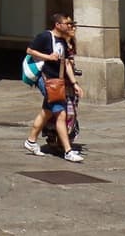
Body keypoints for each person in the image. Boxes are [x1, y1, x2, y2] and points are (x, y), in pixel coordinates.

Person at [23, 13, 84, 163]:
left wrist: (75, 83)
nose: (69, 26)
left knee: (47, 112)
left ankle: (30, 141)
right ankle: (68, 151)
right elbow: (29, 51)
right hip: (46, 78)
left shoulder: (62, 41)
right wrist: (48, 57)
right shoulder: (45, 36)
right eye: (66, 24)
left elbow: (67, 64)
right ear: (57, 25)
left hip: (58, 80)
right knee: (61, 114)